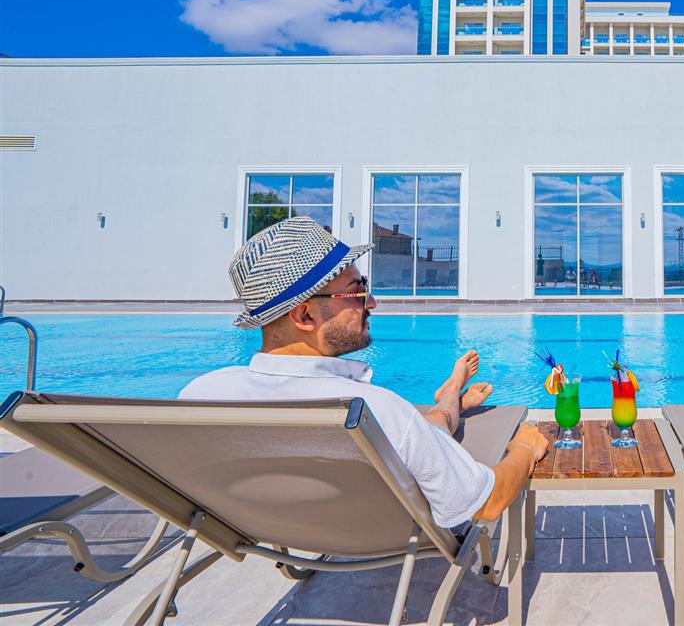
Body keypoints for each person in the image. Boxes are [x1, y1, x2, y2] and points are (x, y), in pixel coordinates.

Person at [180, 216, 549, 529]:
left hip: (287, 530)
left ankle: (452, 396)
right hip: (382, 527)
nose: (372, 302)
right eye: (357, 293)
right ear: (305, 315)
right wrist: (525, 448)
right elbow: (488, 502)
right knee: (426, 429)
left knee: (430, 427)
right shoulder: (369, 410)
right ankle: (451, 394)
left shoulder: (202, 396)